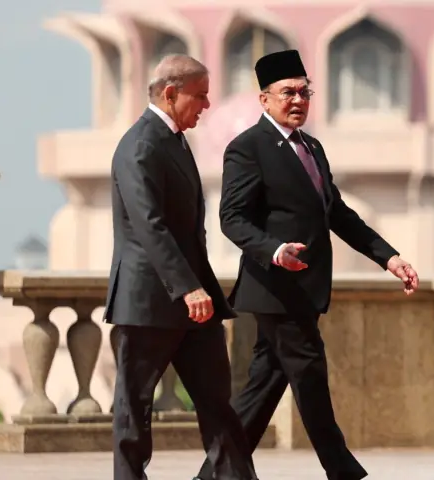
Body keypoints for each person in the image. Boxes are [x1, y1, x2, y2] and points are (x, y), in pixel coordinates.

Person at [195, 50, 420, 480]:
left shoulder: (311, 147)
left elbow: (337, 213)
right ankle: (345, 472)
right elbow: (232, 219)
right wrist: (275, 250)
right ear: (264, 100)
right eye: (287, 93)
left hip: (306, 290)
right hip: (275, 289)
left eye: (304, 92)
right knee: (312, 381)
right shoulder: (248, 148)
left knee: (262, 389)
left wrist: (388, 257)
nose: (298, 100)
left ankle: (211, 475)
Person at [103, 54, 258, 480]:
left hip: (195, 305)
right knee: (134, 408)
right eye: (201, 96)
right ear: (171, 94)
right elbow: (149, 225)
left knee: (217, 404)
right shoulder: (139, 145)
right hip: (150, 301)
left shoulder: (172, 140)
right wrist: (186, 287)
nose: (207, 106)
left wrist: (196, 290)